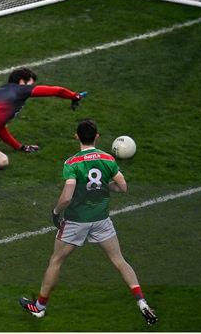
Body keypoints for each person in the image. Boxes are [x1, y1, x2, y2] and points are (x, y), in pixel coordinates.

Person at [19, 119, 158, 325]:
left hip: (76, 221)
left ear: (77, 136)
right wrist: (103, 186)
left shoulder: (72, 163)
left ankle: (39, 307)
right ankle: (142, 302)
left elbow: (67, 196)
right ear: (97, 136)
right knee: (120, 261)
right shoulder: (107, 158)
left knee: (56, 261)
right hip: (101, 220)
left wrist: (56, 211)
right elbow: (122, 187)